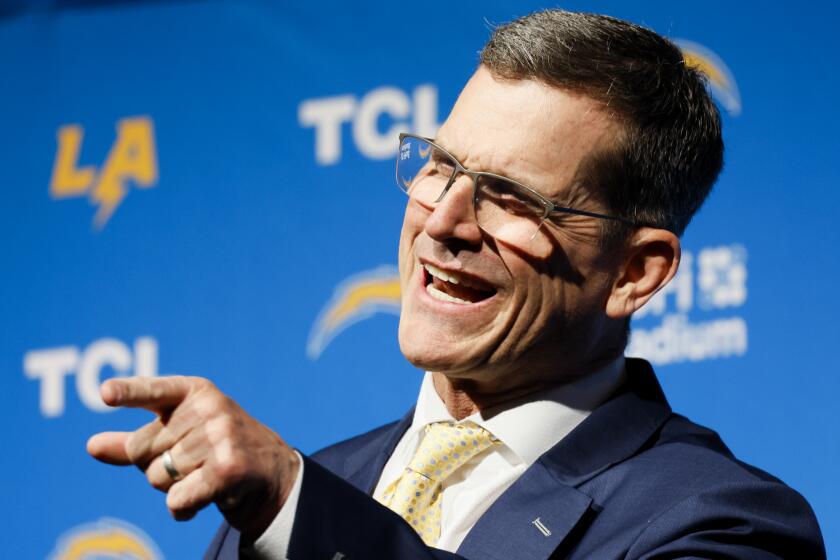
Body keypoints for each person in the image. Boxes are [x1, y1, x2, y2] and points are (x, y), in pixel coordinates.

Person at [88, 9, 826, 559]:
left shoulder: (723, 522)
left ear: (634, 272)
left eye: (510, 198)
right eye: (440, 166)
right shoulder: (308, 491)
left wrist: (296, 506)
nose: (441, 220)